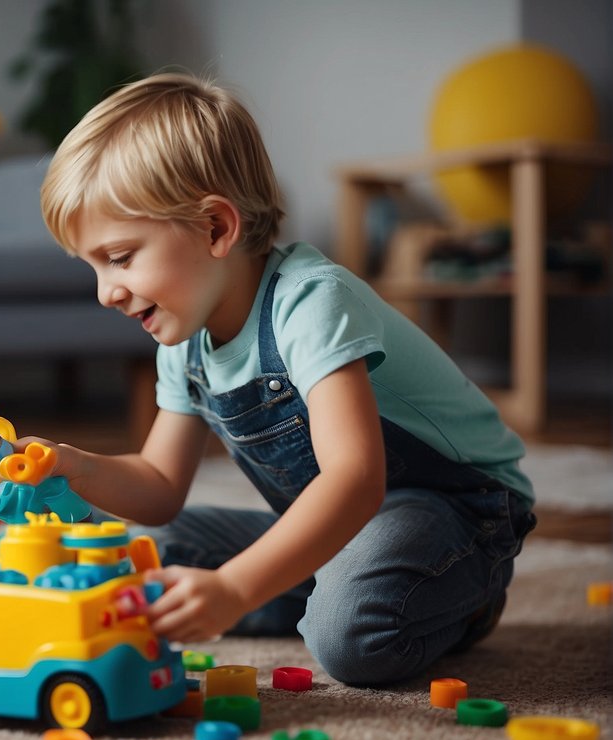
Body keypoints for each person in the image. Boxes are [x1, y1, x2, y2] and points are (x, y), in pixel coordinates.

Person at [30, 73, 536, 687]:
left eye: (118, 257)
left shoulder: (309, 302)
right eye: (91, 266)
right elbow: (161, 486)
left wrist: (237, 587)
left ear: (216, 228)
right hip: (347, 522)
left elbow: (354, 479)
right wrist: (69, 464)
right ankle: (328, 580)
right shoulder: (183, 336)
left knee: (349, 638)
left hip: (461, 510)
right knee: (141, 557)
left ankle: (466, 596)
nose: (105, 293)